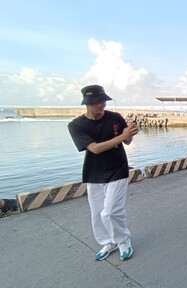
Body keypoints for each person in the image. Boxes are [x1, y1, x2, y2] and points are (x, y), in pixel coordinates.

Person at [68, 85, 139, 261]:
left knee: (111, 211)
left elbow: (127, 142)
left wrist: (129, 134)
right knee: (97, 212)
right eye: (97, 102)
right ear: (87, 103)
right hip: (94, 172)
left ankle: (123, 240)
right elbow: (95, 149)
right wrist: (122, 137)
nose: (102, 105)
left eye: (103, 101)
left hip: (118, 168)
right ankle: (108, 241)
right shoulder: (76, 125)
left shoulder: (115, 118)